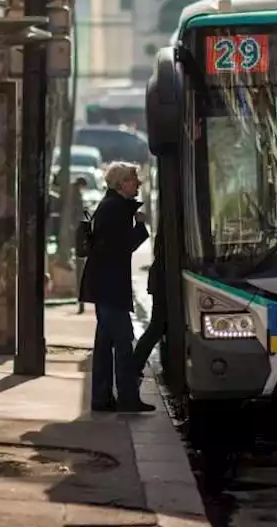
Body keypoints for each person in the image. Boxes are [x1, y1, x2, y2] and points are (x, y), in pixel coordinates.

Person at [78, 161, 155, 414]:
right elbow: (120, 248)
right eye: (134, 179)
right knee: (122, 342)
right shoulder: (116, 209)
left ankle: (102, 398)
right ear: (122, 183)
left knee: (105, 344)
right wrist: (140, 226)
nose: (139, 184)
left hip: (105, 285)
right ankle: (127, 398)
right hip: (110, 286)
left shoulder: (111, 206)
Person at [131, 250, 166, 380]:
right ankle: (135, 364)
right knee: (156, 329)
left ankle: (135, 364)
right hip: (161, 289)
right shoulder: (162, 263)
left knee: (156, 329)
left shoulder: (159, 261)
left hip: (159, 286)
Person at [72, 175, 90, 315]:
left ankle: (81, 302)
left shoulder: (74, 196)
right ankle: (81, 302)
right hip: (77, 238)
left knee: (81, 271)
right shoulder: (75, 197)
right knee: (80, 271)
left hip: (77, 237)